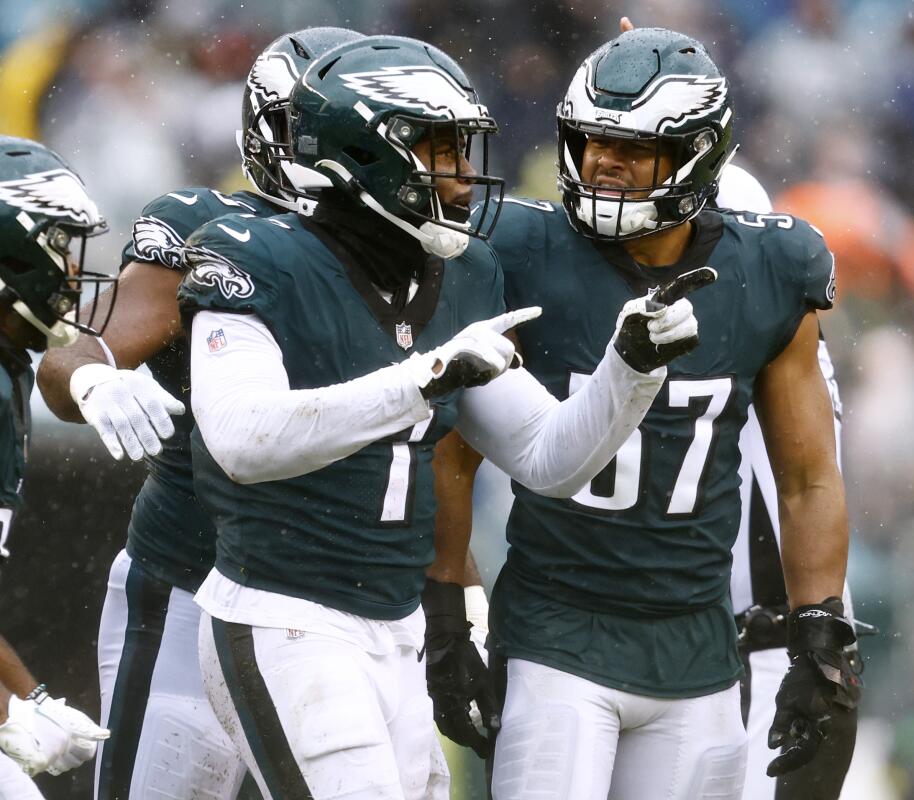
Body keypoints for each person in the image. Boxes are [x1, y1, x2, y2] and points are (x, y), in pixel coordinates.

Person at [180, 36, 704, 800]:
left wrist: (631, 370)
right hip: (285, 614)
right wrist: (422, 379)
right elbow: (242, 439)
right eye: (441, 152)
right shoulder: (257, 255)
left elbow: (548, 456)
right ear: (365, 155)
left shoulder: (459, 273)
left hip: (396, 631)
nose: (463, 177)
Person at [463, 27, 856, 800]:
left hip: (696, 646)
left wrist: (820, 630)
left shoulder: (769, 272)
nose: (601, 164)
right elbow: (451, 446)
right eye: (592, 142)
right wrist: (450, 603)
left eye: (630, 148)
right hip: (558, 628)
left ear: (699, 157)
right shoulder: (525, 252)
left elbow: (808, 477)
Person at [35, 27, 366, 800]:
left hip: (351, 601)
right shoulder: (207, 229)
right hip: (195, 579)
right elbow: (73, 356)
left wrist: (455, 594)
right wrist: (95, 382)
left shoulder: (431, 259)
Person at [717, 164, 863, 800]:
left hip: (769, 638)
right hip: (801, 631)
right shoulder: (796, 326)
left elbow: (799, 484)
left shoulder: (761, 335)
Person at [0, 135, 111, 797]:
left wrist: (27, 698)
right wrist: (14, 709)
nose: (73, 274)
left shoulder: (10, 366)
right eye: (57, 248)